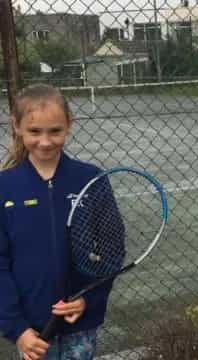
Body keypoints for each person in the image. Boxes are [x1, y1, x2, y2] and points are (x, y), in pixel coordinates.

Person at [0, 84, 113, 360]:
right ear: (16, 126)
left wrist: (90, 301)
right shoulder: (5, 186)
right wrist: (18, 329)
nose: (46, 141)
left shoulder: (92, 179)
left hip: (80, 327)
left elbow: (111, 253)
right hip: (31, 332)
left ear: (69, 125)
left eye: (55, 131)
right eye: (34, 131)